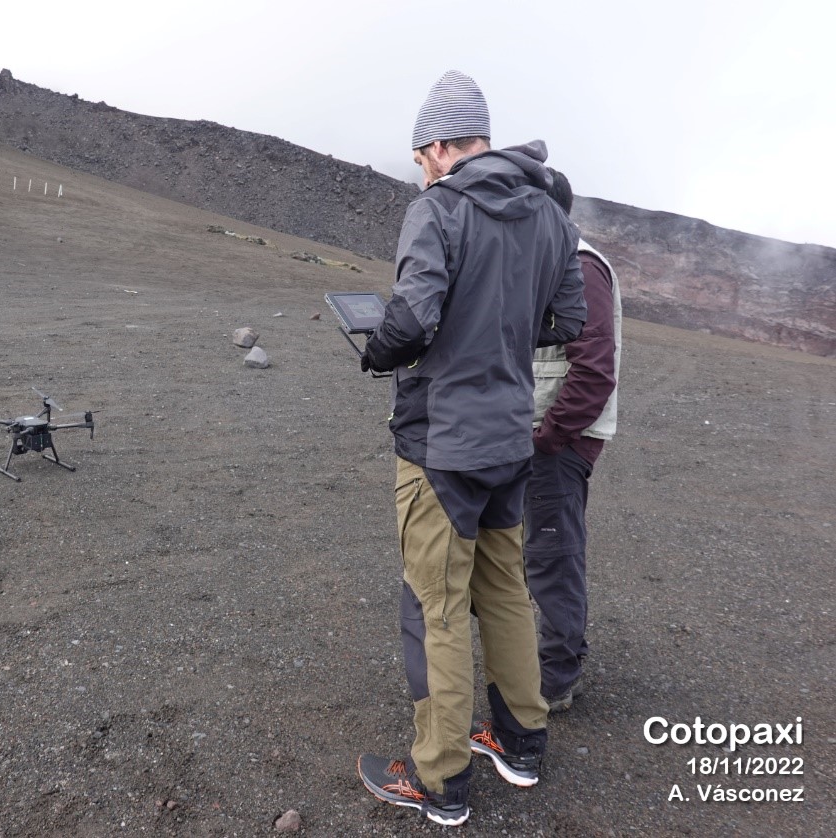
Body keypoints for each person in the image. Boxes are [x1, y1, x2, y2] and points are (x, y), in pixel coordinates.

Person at [353, 70, 586, 827]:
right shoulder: (551, 215)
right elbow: (566, 320)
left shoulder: (439, 209)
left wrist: (376, 350)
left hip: (441, 444)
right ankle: (521, 743)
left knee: (436, 608)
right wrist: (501, 331)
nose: (419, 167)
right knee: (506, 593)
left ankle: (440, 780)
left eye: (421, 155)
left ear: (443, 145)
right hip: (508, 441)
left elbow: (412, 319)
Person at [527, 168, 622, 712]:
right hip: (552, 430)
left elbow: (594, 370)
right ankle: (562, 655)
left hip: (561, 438)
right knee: (547, 548)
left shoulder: (579, 266)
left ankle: (556, 679)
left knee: (552, 553)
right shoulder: (558, 260)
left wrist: (549, 437)